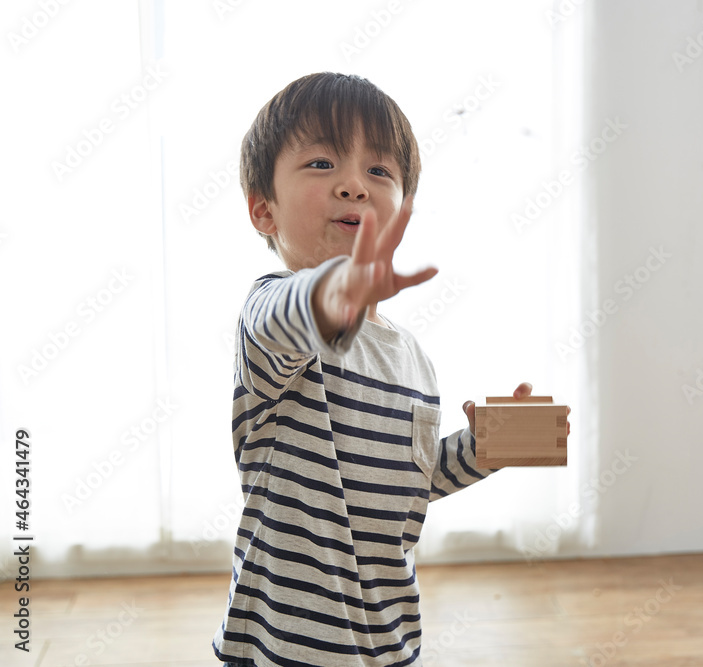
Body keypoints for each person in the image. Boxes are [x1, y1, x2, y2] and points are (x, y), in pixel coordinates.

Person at [213, 72, 537, 666]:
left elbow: (408, 480)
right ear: (263, 210)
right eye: (320, 164)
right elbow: (291, 317)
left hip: (386, 636)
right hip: (282, 642)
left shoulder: (411, 357)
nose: (354, 186)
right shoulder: (272, 312)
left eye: (380, 172)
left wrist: (484, 448)